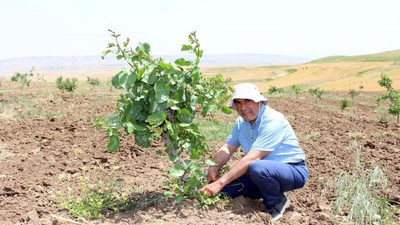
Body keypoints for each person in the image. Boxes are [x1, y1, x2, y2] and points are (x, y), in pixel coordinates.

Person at [200, 83, 309, 221]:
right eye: (238, 103)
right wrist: (213, 167)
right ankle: (268, 189)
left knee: (256, 167)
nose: (243, 107)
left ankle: (276, 202)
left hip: (292, 170)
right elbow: (228, 147)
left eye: (248, 101)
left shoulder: (273, 120)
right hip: (261, 174)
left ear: (259, 101)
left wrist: (219, 183)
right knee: (226, 192)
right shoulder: (241, 123)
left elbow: (252, 159)